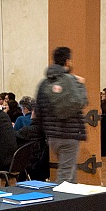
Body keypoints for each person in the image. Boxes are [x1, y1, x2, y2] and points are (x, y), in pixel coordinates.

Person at [34, 46, 88, 183]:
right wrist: (81, 85)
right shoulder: (72, 80)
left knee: (69, 171)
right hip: (69, 136)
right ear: (68, 61)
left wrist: (47, 130)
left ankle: (74, 203)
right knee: (65, 177)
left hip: (52, 137)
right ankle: (61, 202)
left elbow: (38, 111)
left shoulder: (44, 83)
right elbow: (82, 102)